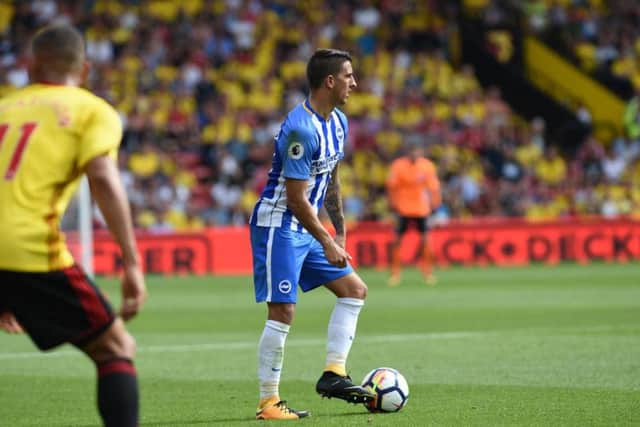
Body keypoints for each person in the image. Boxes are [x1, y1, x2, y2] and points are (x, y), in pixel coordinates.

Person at [0, 25, 146, 427]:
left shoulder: (5, 105)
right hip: (25, 247)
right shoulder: (90, 109)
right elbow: (102, 177)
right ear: (83, 70)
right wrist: (131, 263)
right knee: (115, 346)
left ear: (29, 66)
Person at [249, 49, 374, 420]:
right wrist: (326, 240)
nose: (355, 83)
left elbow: (331, 180)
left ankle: (334, 374)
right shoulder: (300, 128)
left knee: (355, 290)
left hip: (309, 229)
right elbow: (296, 199)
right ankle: (268, 402)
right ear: (329, 81)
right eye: (349, 76)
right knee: (283, 310)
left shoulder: (338, 122)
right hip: (279, 227)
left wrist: (340, 234)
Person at [386, 142, 441, 286]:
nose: (415, 154)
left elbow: (433, 187)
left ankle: (427, 272)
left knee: (425, 240)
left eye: (417, 150)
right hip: (403, 208)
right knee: (397, 240)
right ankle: (395, 273)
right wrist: (392, 205)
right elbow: (392, 186)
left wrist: (435, 203)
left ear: (421, 151)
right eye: (412, 150)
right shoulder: (398, 165)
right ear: (408, 151)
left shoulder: (427, 166)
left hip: (421, 208)